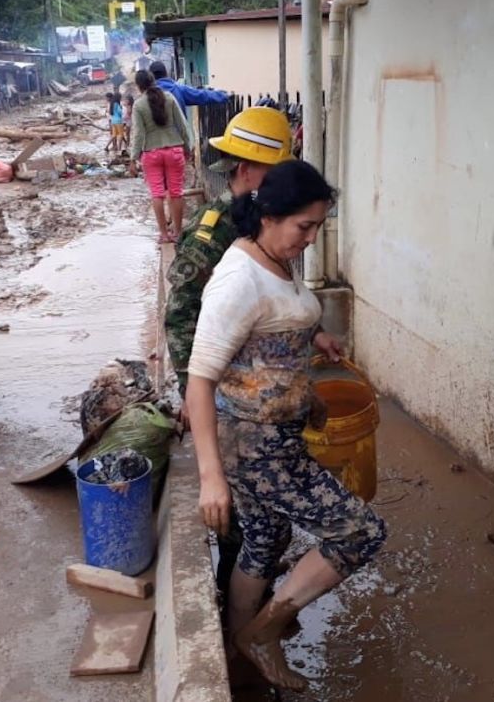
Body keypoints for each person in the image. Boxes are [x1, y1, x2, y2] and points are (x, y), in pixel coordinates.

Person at [187, 160, 386, 691]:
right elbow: (199, 382)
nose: (312, 238)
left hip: (276, 434)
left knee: (265, 537)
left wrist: (312, 336)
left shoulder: (276, 258)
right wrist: (211, 476)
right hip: (254, 445)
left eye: (319, 226)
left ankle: (236, 644)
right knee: (360, 531)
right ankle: (263, 633)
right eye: (305, 226)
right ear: (270, 215)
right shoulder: (236, 281)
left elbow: (279, 315)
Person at [164, 106, 310, 612]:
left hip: (256, 401)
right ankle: (233, 616)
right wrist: (192, 387)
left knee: (263, 520)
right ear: (247, 171)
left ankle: (252, 602)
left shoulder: (269, 219)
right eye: (275, 174)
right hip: (225, 400)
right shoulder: (214, 232)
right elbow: (180, 315)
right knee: (238, 522)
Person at [131, 69, 192, 244]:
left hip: (151, 153)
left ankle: (164, 235)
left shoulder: (138, 105)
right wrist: (187, 147)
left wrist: (133, 158)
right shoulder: (170, 98)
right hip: (174, 150)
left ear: (139, 86)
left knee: (157, 194)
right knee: (176, 193)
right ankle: (178, 233)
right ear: (154, 81)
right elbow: (182, 125)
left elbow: (138, 134)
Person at [149, 60, 229, 120]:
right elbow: (201, 95)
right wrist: (223, 95)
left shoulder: (146, 96)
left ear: (150, 77)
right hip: (179, 138)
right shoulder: (179, 89)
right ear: (166, 73)